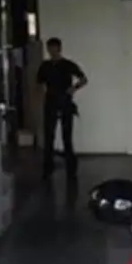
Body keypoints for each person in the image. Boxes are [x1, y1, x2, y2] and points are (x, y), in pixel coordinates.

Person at [37, 37, 87, 179]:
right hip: (50, 102)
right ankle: (48, 166)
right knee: (49, 136)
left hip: (65, 101)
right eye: (50, 49)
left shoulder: (67, 64)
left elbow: (83, 79)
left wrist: (73, 88)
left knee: (67, 135)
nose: (52, 51)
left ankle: (71, 166)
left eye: (54, 48)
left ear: (59, 49)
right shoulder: (45, 66)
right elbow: (39, 83)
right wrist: (41, 96)